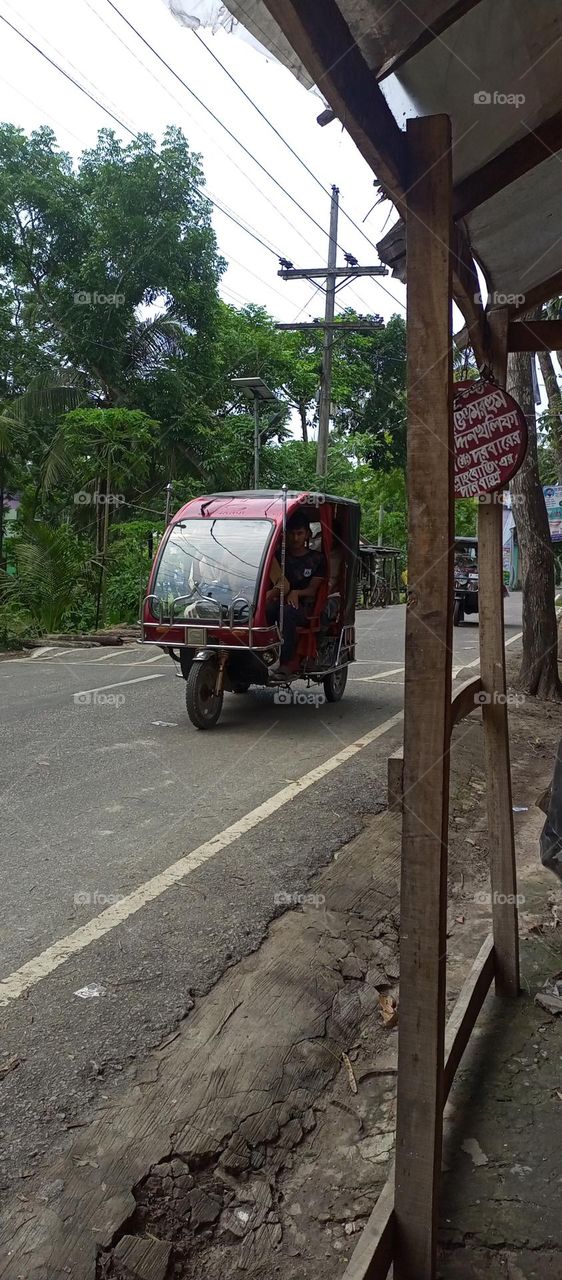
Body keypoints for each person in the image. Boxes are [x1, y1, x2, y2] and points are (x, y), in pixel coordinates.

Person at [266, 512, 326, 673]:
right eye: (292, 534)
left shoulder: (317, 559)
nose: (296, 538)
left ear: (307, 534)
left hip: (304, 608)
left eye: (300, 533)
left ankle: (286, 663)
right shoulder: (278, 557)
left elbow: (313, 590)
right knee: (264, 609)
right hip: (279, 601)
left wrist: (297, 593)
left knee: (287, 612)